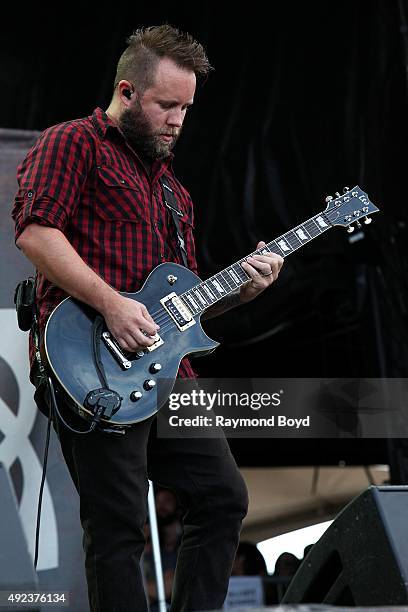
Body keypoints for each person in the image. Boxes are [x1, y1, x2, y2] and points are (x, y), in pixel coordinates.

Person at [12, 24, 284, 612]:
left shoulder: (175, 193)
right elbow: (36, 234)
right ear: (128, 91)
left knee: (224, 497)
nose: (178, 119)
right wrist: (111, 302)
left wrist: (242, 291)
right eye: (167, 104)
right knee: (119, 526)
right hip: (94, 365)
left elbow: (182, 302)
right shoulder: (74, 143)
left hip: (168, 373)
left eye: (186, 108)